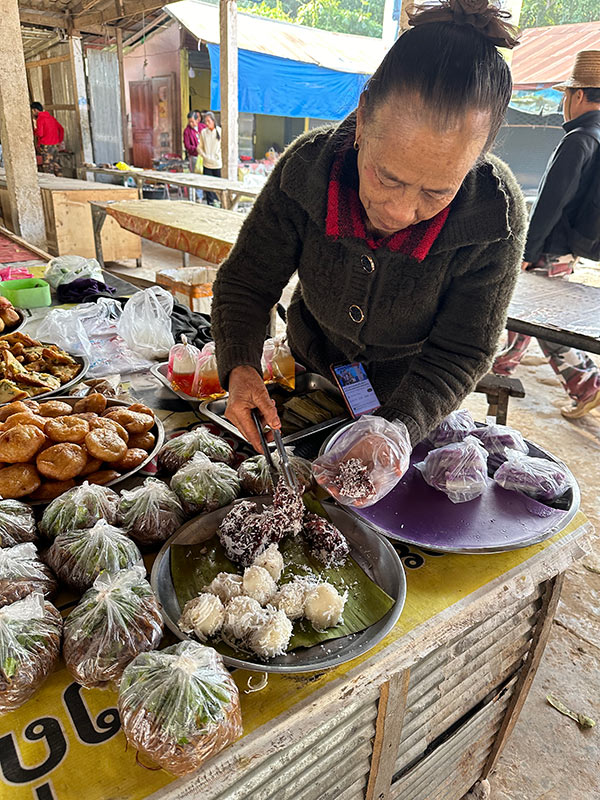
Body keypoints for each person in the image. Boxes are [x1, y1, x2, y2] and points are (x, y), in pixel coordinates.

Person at [211, 0, 526, 483]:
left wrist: (398, 429)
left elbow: (462, 350)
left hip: (411, 391)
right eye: (387, 177)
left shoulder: (493, 215)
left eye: (437, 191)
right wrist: (240, 367)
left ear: (477, 162)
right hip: (311, 365)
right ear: (361, 120)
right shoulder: (308, 171)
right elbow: (246, 282)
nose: (400, 212)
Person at [493, 50, 600, 419]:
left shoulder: (579, 140)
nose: (564, 102)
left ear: (580, 95)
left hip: (550, 247)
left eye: (566, 95)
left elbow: (552, 202)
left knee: (540, 321)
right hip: (569, 247)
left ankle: (588, 384)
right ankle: (501, 369)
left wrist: (527, 248)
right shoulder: (596, 138)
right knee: (530, 314)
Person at [30, 102, 64, 177]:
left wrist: (34, 132)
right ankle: (61, 183)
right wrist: (59, 141)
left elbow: (40, 134)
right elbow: (61, 129)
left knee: (48, 168)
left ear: (35, 110)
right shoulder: (51, 118)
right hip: (55, 145)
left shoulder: (40, 119)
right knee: (57, 166)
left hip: (46, 146)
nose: (33, 113)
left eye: (32, 111)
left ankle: (52, 186)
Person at [198, 111, 222, 206]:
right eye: (206, 121)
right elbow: (199, 147)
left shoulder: (220, 131)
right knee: (208, 186)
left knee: (217, 185)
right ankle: (210, 203)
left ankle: (218, 203)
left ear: (213, 121)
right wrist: (204, 155)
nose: (207, 123)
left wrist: (217, 156)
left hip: (217, 163)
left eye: (209, 121)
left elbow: (223, 147)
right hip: (207, 163)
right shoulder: (204, 132)